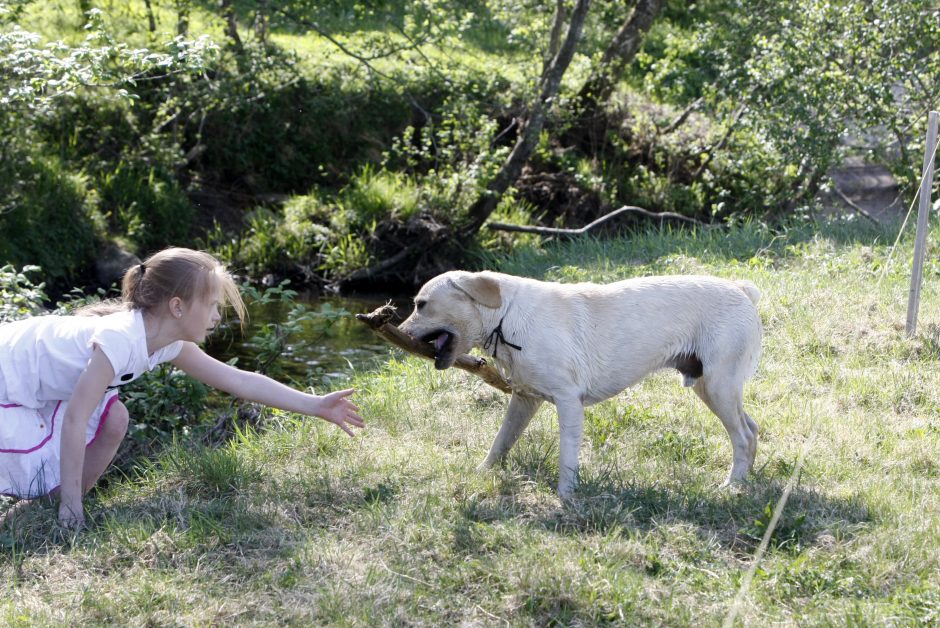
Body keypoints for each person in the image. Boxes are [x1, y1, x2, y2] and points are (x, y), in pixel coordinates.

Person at [0, 247, 363, 529]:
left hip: (36, 386)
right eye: (211, 306)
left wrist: (316, 405)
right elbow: (76, 418)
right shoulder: (121, 339)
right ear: (177, 306)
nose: (217, 317)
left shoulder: (168, 342)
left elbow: (239, 380)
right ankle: (68, 507)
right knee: (100, 418)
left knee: (114, 418)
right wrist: (72, 508)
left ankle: (48, 508)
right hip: (7, 373)